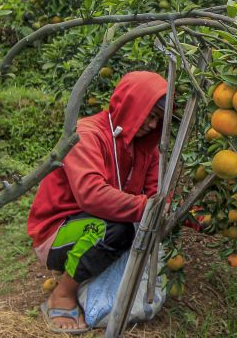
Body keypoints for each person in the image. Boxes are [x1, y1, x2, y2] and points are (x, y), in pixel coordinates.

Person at [28, 71, 168, 333]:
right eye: (149, 116)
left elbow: (155, 193)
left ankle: (86, 281)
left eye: (157, 120)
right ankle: (62, 294)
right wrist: (148, 208)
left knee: (130, 229)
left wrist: (184, 215)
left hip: (97, 223)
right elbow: (91, 194)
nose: (151, 125)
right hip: (58, 232)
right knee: (115, 230)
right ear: (131, 105)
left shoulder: (145, 149)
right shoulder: (87, 134)